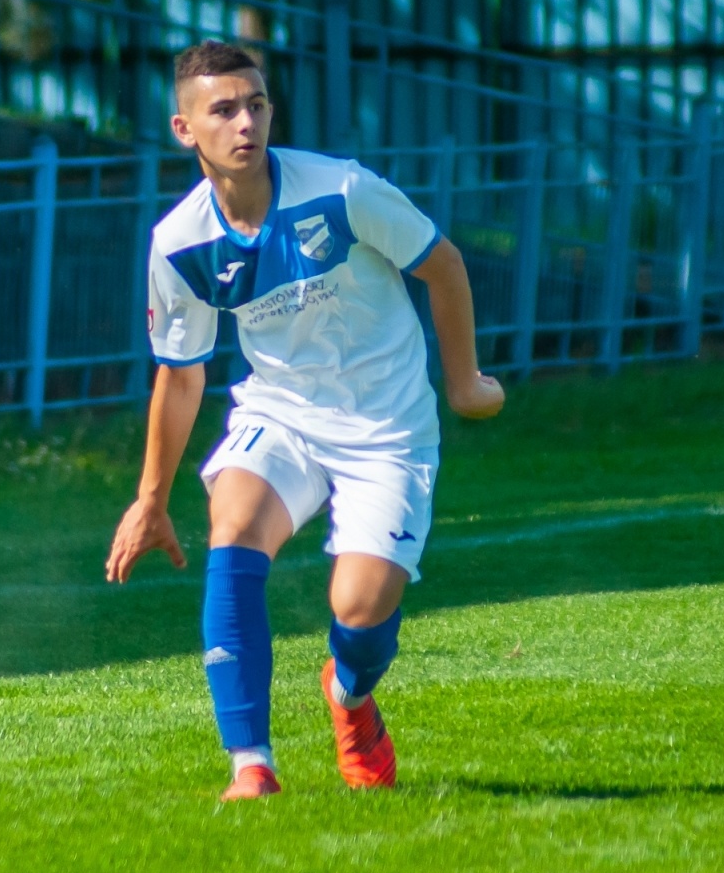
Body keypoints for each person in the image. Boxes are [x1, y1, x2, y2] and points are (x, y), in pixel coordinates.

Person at [104, 40, 504, 800]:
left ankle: (350, 697)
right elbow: (181, 375)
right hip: (281, 413)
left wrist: (464, 385)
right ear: (184, 130)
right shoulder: (179, 243)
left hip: (387, 426)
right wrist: (151, 497)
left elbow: (442, 263)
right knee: (234, 523)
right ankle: (250, 766)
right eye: (223, 109)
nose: (245, 122)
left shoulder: (342, 191)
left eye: (255, 104)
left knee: (358, 605)